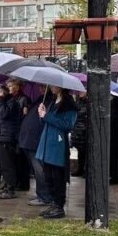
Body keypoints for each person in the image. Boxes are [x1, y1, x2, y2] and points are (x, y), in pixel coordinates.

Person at [36, 87, 78, 219]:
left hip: (57, 146)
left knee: (57, 177)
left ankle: (59, 206)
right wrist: (42, 113)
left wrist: (47, 116)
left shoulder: (69, 104)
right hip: (47, 144)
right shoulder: (52, 101)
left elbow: (67, 125)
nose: (52, 87)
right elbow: (46, 122)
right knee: (48, 176)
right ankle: (53, 204)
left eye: (54, 85)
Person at [19, 92, 53, 208]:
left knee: (40, 170)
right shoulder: (40, 99)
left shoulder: (49, 101)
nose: (41, 88)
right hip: (29, 140)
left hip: (35, 141)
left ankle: (44, 196)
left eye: (44, 87)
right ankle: (40, 194)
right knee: (36, 170)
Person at [0, 83, 22, 199]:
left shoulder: (11, 102)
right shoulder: (3, 102)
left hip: (7, 137)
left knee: (8, 164)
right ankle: (5, 185)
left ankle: (10, 189)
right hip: (0, 136)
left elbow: (4, 114)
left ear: (1, 93)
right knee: (2, 164)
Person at [70, 91, 88, 177]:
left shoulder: (89, 103)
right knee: (80, 151)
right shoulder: (77, 102)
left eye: (83, 91)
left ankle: (85, 170)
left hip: (85, 131)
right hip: (77, 130)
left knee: (86, 151)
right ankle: (80, 169)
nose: (80, 92)